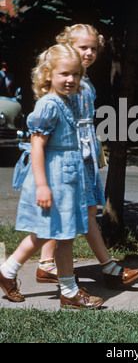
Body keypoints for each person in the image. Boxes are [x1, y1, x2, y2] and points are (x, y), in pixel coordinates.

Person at [0, 44, 105, 309]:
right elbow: (37, 147)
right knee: (61, 235)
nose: (70, 80)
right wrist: (42, 186)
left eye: (76, 75)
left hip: (68, 177)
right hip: (54, 177)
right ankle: (69, 292)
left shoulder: (66, 101)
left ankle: (8, 270)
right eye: (64, 74)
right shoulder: (48, 105)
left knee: (50, 234)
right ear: (48, 75)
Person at [37, 24, 138, 288]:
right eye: (82, 47)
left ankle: (45, 263)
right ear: (67, 45)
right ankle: (108, 267)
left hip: (84, 152)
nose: (89, 52)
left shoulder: (84, 81)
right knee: (86, 211)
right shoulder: (69, 82)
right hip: (71, 154)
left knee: (73, 211)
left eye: (93, 48)